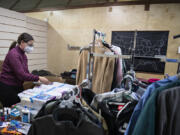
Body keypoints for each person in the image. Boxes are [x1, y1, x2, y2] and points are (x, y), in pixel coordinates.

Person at [0, 33, 50, 107]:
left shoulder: (23, 55)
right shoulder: (13, 54)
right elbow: (21, 75)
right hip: (8, 87)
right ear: (22, 42)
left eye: (32, 45)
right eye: (30, 45)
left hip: (17, 85)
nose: (31, 47)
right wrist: (39, 77)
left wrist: (36, 80)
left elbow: (26, 72)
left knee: (22, 107)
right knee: (12, 111)